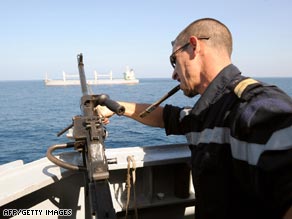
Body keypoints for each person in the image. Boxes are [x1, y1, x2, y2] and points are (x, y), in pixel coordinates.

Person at [100, 18, 292, 219]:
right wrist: (115, 107)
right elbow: (165, 117)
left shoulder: (255, 107)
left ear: (194, 46)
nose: (174, 74)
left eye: (174, 60)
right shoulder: (209, 112)